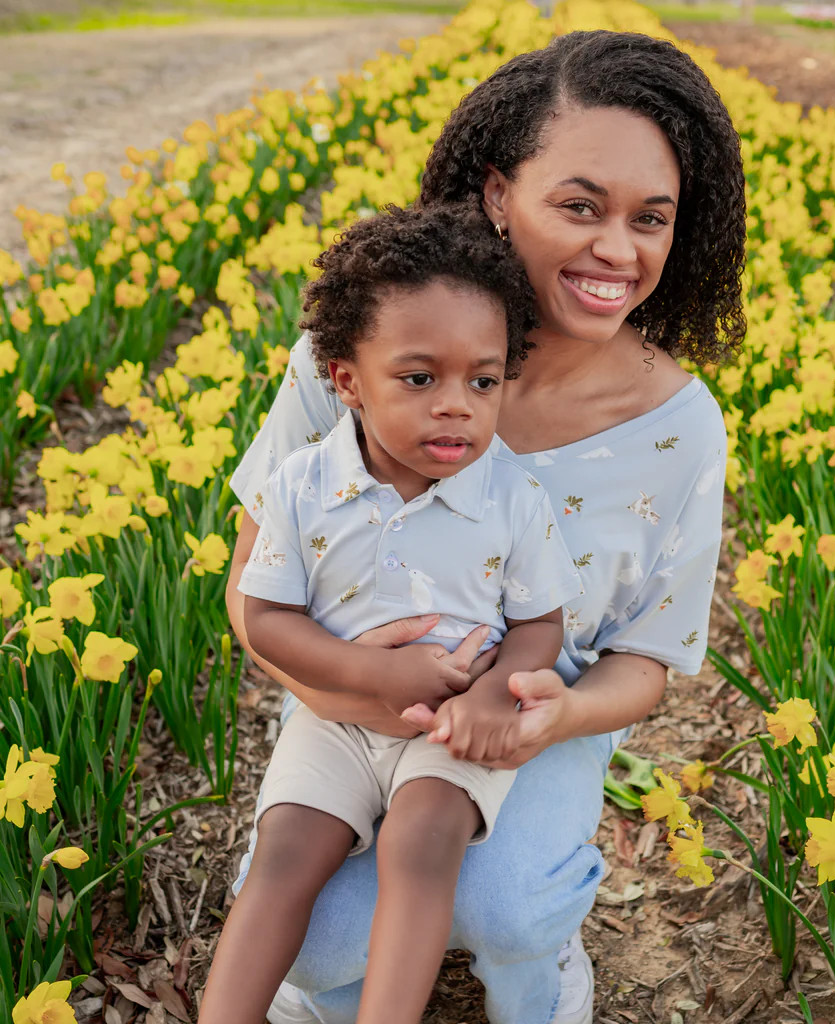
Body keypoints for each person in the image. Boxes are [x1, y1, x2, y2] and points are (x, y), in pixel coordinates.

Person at [225, 28, 745, 1024]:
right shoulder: (361, 349)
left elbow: (642, 660)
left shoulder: (679, 428)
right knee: (315, 944)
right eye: (579, 205)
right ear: (500, 194)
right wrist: (345, 685)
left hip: (531, 719)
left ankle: (536, 979)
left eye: (652, 218)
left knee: (506, 909)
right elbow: (250, 594)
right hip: (347, 698)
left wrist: (551, 714)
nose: (617, 250)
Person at [200, 203, 583, 1024]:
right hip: (335, 719)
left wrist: (490, 698)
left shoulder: (512, 497)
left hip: (452, 724)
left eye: (483, 381)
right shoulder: (302, 486)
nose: (457, 406)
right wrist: (371, 673)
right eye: (420, 379)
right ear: (346, 380)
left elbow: (541, 625)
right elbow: (263, 615)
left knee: (422, 842)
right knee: (286, 851)